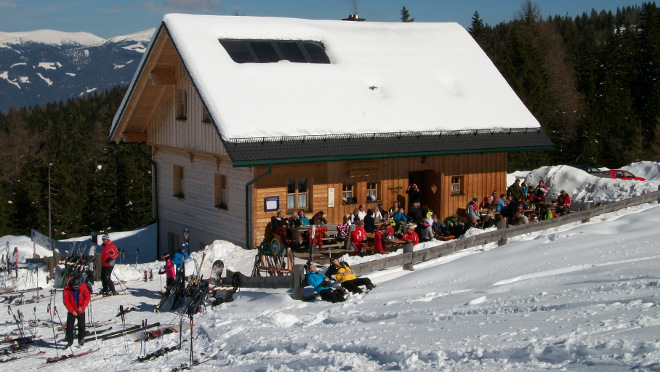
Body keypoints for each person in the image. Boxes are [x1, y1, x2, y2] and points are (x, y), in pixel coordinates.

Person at [63, 277, 90, 348]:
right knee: (69, 327)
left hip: (80, 310)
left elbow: (87, 297)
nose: (76, 288)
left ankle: (81, 339)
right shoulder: (67, 289)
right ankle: (69, 341)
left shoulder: (83, 287)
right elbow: (66, 301)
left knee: (81, 326)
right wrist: (72, 311)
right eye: (75, 287)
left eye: (78, 287)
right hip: (72, 311)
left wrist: (83, 307)